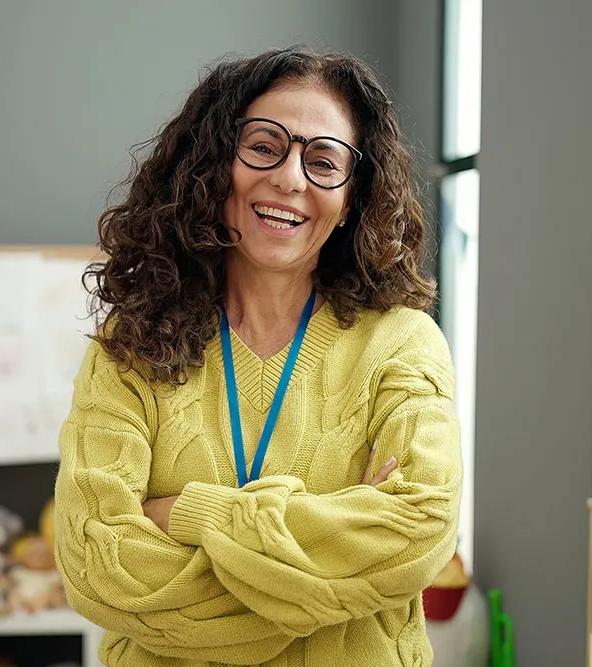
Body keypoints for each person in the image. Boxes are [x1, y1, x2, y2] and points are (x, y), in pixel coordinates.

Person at [54, 45, 463, 667]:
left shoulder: (400, 343)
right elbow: (96, 564)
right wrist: (328, 576)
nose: (292, 180)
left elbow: (419, 531)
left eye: (324, 161)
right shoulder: (131, 345)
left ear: (352, 197)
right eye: (265, 147)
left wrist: (192, 513)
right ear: (215, 164)